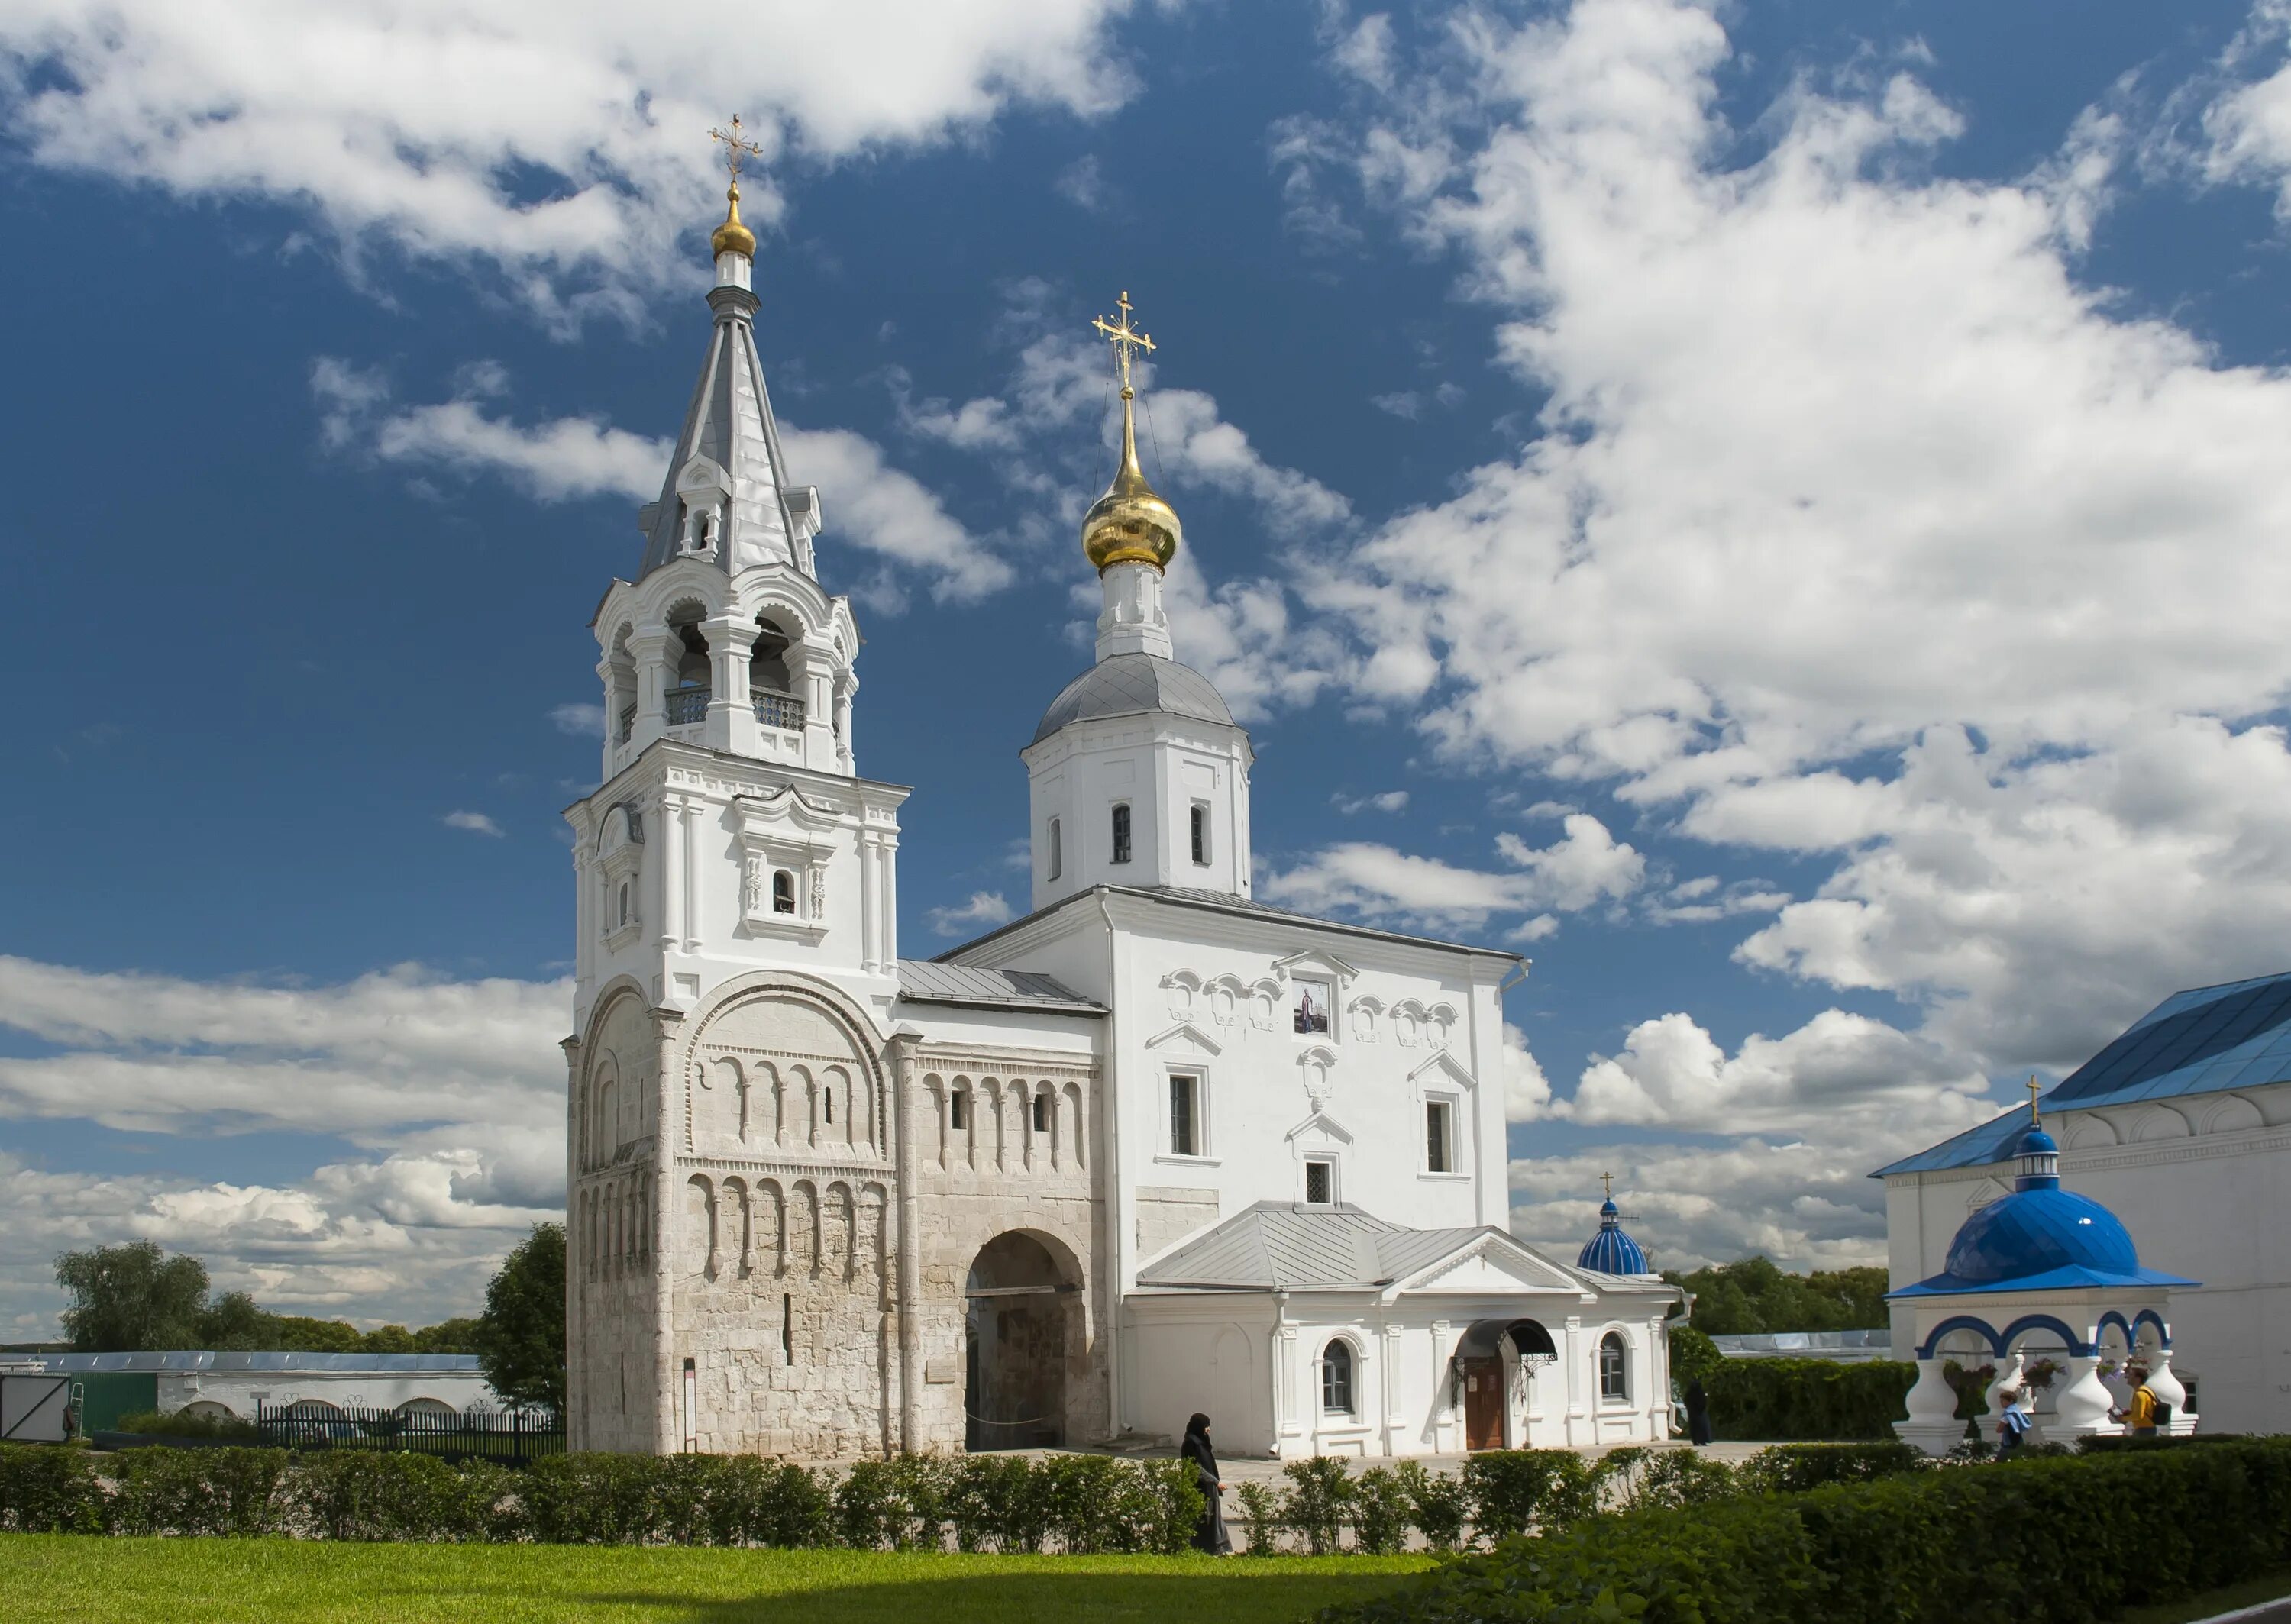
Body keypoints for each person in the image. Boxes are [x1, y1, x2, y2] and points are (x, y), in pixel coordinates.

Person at [1181, 1412, 1232, 1555]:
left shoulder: (1202, 1441)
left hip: (1209, 1489)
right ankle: (1208, 1548)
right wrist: (1216, 1482)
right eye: (1206, 1426)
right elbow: (1196, 1469)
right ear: (1199, 1427)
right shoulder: (1191, 1444)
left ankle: (1219, 1547)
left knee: (1214, 1519)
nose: (1208, 1429)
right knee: (1203, 1520)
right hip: (1200, 1489)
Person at [1994, 1387, 2033, 1455]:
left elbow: (1999, 1430)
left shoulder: (2009, 1414)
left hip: (2009, 1443)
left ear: (2011, 1401)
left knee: (2001, 1463)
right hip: (2019, 1441)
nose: (2001, 1403)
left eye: (2003, 1401)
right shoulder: (2018, 1412)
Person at [2123, 1366, 2159, 1437]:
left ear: (2138, 1378)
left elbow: (2138, 1416)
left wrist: (2122, 1418)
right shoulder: (2146, 1390)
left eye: (2130, 1375)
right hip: (2147, 1428)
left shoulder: (2140, 1394)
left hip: (2144, 1429)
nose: (2127, 1377)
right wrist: (2129, 1412)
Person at [1684, 1378, 1713, 1447]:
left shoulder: (1689, 1393)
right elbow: (1703, 1402)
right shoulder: (1700, 1392)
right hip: (1700, 1413)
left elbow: (1686, 1402)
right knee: (1702, 1427)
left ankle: (1696, 1441)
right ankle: (1702, 1441)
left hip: (1693, 1413)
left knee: (1694, 1427)